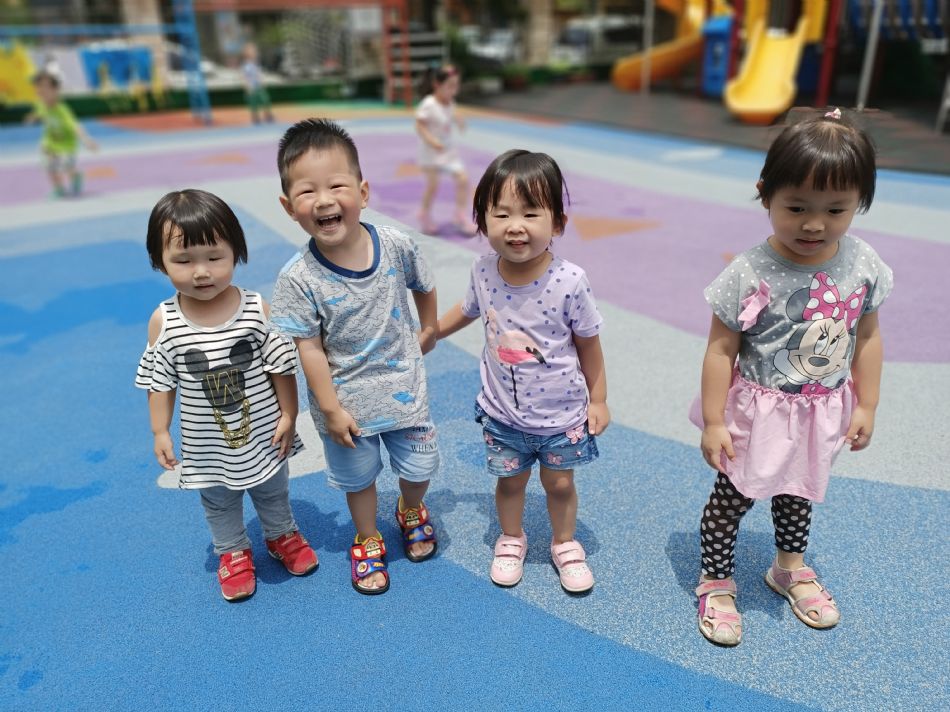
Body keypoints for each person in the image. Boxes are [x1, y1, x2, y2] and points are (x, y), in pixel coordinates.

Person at [690, 108, 892, 646]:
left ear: (860, 202)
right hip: (757, 412)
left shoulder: (863, 263)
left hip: (821, 409)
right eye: (797, 207)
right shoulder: (749, 272)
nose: (814, 224)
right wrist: (713, 421)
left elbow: (867, 337)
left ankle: (788, 568)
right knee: (731, 500)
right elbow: (720, 349)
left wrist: (867, 404)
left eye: (836, 209)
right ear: (765, 195)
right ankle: (715, 580)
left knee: (798, 493)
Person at [269, 118, 441, 595]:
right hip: (346, 403)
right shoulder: (298, 278)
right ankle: (367, 537)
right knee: (359, 480)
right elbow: (308, 348)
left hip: (406, 389)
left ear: (363, 192)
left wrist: (429, 327)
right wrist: (329, 409)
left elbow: (424, 282)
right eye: (307, 192)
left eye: (336, 186)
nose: (324, 200)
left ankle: (410, 509)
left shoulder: (397, 245)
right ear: (289, 207)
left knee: (420, 467)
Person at [438, 149, 609, 594]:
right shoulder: (482, 270)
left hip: (562, 415)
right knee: (510, 482)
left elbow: (589, 343)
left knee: (559, 483)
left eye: (531, 213)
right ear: (483, 222)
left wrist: (600, 399)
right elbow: (468, 309)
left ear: (558, 223)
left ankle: (564, 543)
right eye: (501, 214)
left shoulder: (570, 281)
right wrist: (432, 332)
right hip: (503, 413)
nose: (516, 225)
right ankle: (511, 538)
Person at [136, 189, 318, 602]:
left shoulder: (255, 308)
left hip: (263, 433)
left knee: (273, 487)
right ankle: (232, 550)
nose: (201, 272)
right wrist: (159, 431)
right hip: (206, 443)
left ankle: (281, 534)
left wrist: (289, 414)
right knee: (218, 500)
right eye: (183, 261)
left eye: (215, 257)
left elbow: (280, 367)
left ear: (236, 252)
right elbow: (160, 381)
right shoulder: (164, 321)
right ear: (159, 261)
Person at [414, 64, 477, 236]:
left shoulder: (449, 102)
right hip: (431, 153)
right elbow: (420, 126)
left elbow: (452, 113)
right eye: (450, 86)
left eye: (456, 86)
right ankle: (424, 213)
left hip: (448, 152)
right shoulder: (428, 104)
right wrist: (432, 141)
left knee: (463, 179)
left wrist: (460, 120)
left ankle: (460, 215)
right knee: (433, 185)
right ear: (437, 84)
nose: (453, 90)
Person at [24, 69, 97, 198]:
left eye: (45, 87)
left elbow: (75, 125)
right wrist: (33, 117)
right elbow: (39, 113)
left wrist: (86, 139)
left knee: (66, 167)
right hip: (50, 142)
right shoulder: (40, 104)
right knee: (50, 166)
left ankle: (75, 175)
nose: (41, 90)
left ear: (56, 90)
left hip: (66, 144)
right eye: (38, 87)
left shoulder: (62, 110)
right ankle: (59, 189)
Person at [241, 41, 274, 125]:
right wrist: (247, 86)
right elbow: (245, 76)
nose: (254, 52)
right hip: (252, 87)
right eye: (252, 51)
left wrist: (262, 81)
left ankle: (268, 115)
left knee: (265, 99)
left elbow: (259, 73)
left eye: (254, 50)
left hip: (258, 85)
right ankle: (255, 117)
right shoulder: (246, 64)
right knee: (253, 103)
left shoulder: (256, 63)